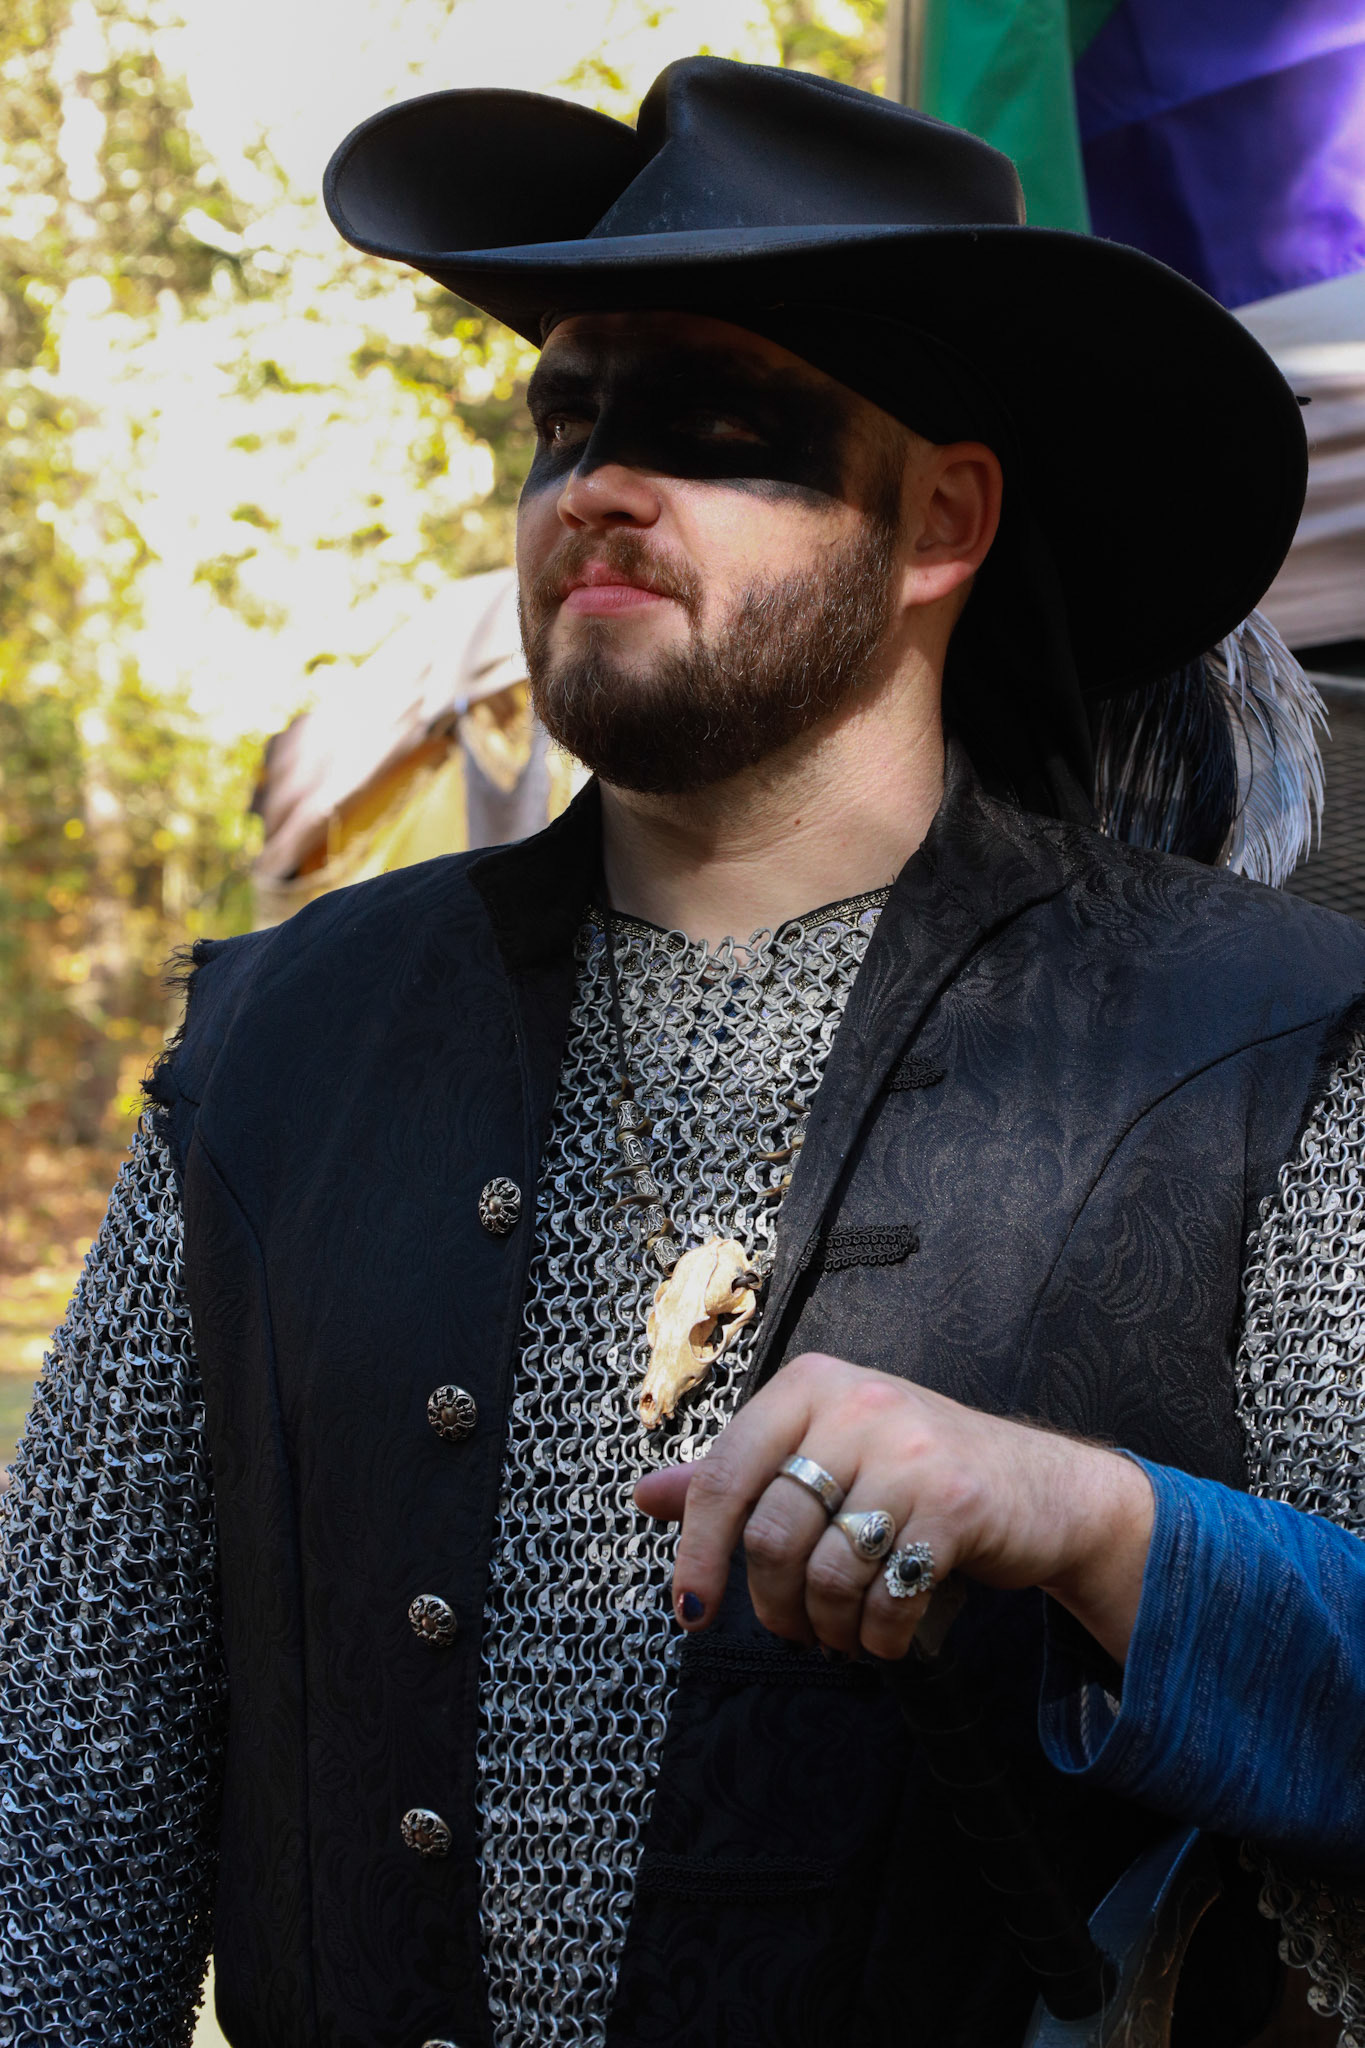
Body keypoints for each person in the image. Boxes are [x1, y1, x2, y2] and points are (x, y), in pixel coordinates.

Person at [2, 55, 1363, 2048]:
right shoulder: (280, 1046)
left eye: (721, 430)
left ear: (940, 522)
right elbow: (63, 1811)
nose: (595, 487)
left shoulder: (1259, 1046)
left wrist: (1096, 1523)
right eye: (563, 424)